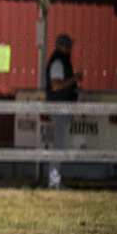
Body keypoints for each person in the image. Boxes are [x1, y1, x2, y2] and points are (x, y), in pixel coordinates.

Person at [46, 33, 82, 190]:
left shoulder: (61, 62)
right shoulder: (58, 62)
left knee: (60, 145)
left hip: (63, 107)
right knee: (59, 146)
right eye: (68, 45)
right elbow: (55, 86)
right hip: (60, 107)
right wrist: (73, 80)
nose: (70, 48)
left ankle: (54, 181)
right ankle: (53, 182)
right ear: (62, 46)